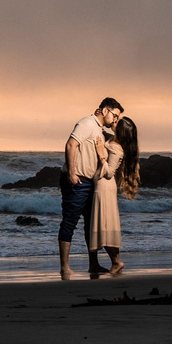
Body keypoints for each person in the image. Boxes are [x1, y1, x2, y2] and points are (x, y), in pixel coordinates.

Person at [59, 97, 130, 279]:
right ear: (105, 110)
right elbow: (70, 144)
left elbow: (114, 147)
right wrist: (72, 173)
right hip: (78, 180)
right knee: (70, 221)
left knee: (91, 224)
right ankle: (65, 267)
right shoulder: (86, 123)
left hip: (91, 182)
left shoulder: (99, 128)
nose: (115, 120)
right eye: (115, 116)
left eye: (117, 118)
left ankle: (93, 264)